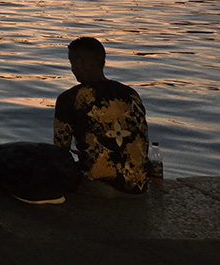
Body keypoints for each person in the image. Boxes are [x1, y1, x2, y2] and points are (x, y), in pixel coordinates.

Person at [53, 36, 149, 197]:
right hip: (139, 186)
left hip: (101, 187)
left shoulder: (71, 98)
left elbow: (60, 151)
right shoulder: (130, 94)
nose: (72, 69)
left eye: (72, 63)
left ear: (81, 63)